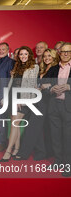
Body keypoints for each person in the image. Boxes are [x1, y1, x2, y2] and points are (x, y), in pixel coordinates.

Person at [14, 49, 60, 161]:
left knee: (32, 128)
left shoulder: (56, 68)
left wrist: (47, 85)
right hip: (36, 100)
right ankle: (41, 152)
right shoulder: (41, 68)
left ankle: (23, 153)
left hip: (46, 102)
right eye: (45, 56)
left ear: (54, 57)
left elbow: (58, 83)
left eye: (49, 56)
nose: (47, 58)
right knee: (36, 128)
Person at [0, 46, 39, 162]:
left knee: (14, 124)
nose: (23, 56)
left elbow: (31, 86)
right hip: (13, 96)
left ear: (29, 55)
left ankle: (8, 151)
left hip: (23, 100)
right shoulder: (17, 66)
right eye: (21, 54)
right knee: (14, 124)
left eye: (25, 54)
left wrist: (21, 100)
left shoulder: (34, 67)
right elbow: (11, 84)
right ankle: (16, 149)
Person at [48, 42, 71, 171]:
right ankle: (58, 161)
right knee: (55, 136)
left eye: (68, 51)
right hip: (54, 105)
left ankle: (68, 165)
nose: (66, 54)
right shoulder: (53, 68)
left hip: (68, 107)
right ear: (59, 53)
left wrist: (69, 87)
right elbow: (43, 85)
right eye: (63, 51)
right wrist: (51, 89)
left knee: (68, 137)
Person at [0, 42, 15, 152]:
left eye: (3, 49)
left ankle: (3, 142)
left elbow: (11, 81)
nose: (1, 51)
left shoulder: (11, 62)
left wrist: (6, 96)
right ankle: (0, 140)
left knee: (2, 118)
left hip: (4, 95)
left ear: (8, 51)